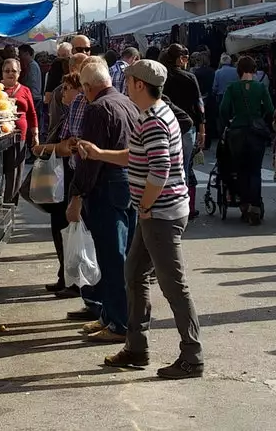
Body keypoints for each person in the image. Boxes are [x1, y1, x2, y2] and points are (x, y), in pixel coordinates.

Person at [78, 60, 204, 380]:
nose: (123, 83)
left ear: (137, 84)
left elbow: (159, 172)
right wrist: (98, 153)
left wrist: (145, 206)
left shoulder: (155, 120)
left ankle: (192, 355)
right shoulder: (151, 115)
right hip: (156, 213)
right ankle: (136, 347)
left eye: (128, 79)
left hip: (161, 214)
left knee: (173, 286)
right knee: (133, 274)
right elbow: (134, 157)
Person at [64, 57, 139, 344]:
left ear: (87, 86)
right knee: (121, 256)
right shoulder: (125, 101)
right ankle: (111, 317)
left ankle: (119, 323)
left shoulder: (98, 109)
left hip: (107, 186)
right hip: (127, 183)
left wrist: (76, 195)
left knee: (112, 258)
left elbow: (89, 160)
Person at [33, 71, 84, 294]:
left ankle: (71, 279)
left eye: (67, 88)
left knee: (66, 227)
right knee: (62, 228)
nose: (62, 92)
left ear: (79, 89)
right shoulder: (69, 109)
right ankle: (66, 276)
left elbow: (67, 147)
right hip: (66, 176)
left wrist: (40, 149)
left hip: (70, 177)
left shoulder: (78, 108)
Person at [219, 56, 275, 225]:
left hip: (237, 131)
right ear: (254, 70)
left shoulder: (232, 87)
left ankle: (244, 204)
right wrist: (260, 118)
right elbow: (270, 109)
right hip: (255, 132)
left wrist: (229, 121)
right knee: (255, 171)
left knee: (241, 171)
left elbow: (223, 109)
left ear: (239, 70)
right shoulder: (260, 87)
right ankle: (255, 207)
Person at [161, 44, 206, 216]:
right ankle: (182, 207)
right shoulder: (189, 77)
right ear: (180, 59)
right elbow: (198, 104)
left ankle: (167, 204)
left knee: (164, 166)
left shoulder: (163, 77)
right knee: (183, 168)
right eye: (185, 58)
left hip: (164, 125)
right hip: (187, 127)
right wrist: (202, 128)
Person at [1, 55, 38, 203]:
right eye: (7, 71)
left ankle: (10, 204)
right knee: (3, 170)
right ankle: (0, 202)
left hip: (20, 136)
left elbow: (32, 113)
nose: (10, 73)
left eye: (14, 71)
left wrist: (35, 134)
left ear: (19, 72)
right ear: (2, 73)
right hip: (1, 135)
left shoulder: (25, 90)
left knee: (16, 172)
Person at [19, 43, 45, 139]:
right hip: (34, 98)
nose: (19, 56)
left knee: (33, 124)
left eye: (21, 54)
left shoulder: (32, 66)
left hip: (34, 99)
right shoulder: (30, 66)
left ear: (27, 53)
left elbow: (31, 84)